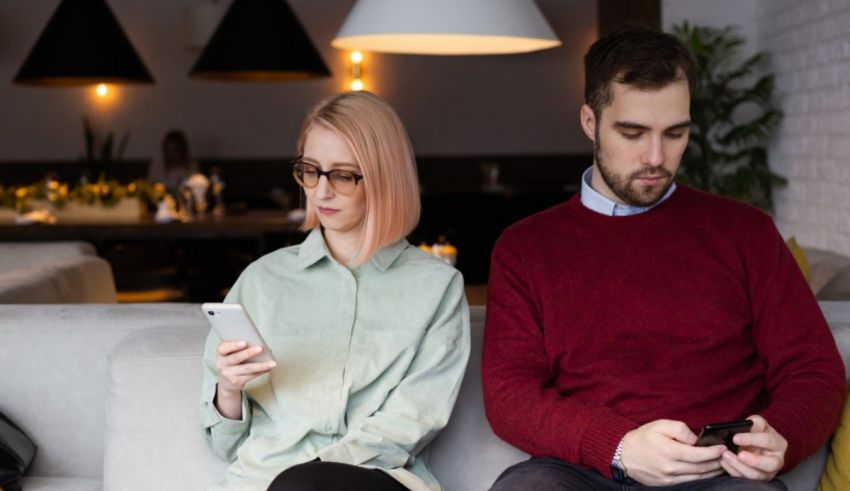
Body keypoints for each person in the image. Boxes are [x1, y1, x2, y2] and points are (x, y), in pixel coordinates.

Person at [481, 25, 846, 490]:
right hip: (582, 472)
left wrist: (783, 436)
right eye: (632, 132)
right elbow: (510, 395)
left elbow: (812, 368)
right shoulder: (525, 248)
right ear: (590, 123)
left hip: (719, 472)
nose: (656, 157)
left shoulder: (745, 232)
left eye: (675, 133)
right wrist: (619, 445)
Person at [199, 91, 470, 491]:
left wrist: (307, 474)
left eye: (343, 175)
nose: (321, 191)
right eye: (310, 170)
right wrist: (230, 389)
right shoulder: (260, 280)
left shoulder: (437, 287)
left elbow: (411, 421)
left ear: (384, 177)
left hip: (372, 481)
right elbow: (223, 443)